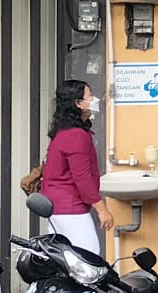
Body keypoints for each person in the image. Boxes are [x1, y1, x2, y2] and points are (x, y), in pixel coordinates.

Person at [39, 80, 113, 253]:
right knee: (88, 260)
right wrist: (102, 210)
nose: (94, 99)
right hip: (70, 209)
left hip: (58, 208)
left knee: (68, 261)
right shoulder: (77, 136)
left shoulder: (64, 132)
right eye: (90, 95)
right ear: (78, 103)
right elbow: (82, 177)